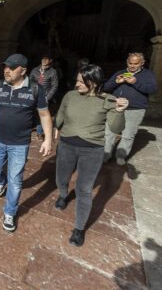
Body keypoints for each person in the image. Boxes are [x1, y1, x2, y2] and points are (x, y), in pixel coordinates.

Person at [54, 64, 129, 247]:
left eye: (81, 81)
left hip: (92, 150)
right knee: (61, 179)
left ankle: (79, 228)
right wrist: (56, 127)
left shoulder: (108, 100)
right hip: (66, 146)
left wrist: (119, 111)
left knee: (84, 189)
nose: (77, 84)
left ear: (93, 82)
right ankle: (63, 195)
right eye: (77, 80)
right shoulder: (70, 96)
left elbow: (116, 128)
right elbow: (61, 114)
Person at [0, 53, 53, 232]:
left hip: (20, 144)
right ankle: (0, 182)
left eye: (12, 67)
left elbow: (44, 114)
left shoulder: (35, 89)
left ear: (23, 70)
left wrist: (48, 139)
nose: (7, 70)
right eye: (5, 67)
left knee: (16, 180)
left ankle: (10, 212)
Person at [103, 53, 158, 165]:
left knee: (128, 135)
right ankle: (105, 155)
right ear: (127, 61)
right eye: (130, 63)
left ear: (142, 63)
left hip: (135, 109)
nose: (132, 66)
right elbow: (106, 87)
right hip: (116, 107)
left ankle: (121, 156)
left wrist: (135, 82)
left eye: (136, 63)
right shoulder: (120, 73)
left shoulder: (148, 74)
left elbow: (152, 89)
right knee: (109, 132)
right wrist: (116, 82)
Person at [29, 54, 58, 139]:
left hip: (44, 96)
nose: (44, 61)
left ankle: (39, 132)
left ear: (50, 61)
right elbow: (30, 82)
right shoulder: (35, 70)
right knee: (31, 113)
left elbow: (54, 86)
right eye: (43, 59)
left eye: (46, 59)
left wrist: (47, 97)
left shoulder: (52, 72)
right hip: (33, 95)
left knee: (41, 114)